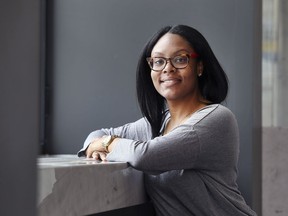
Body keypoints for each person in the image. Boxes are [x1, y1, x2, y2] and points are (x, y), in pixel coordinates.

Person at [78, 24, 257, 216]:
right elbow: (98, 135)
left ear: (199, 66)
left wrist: (107, 144)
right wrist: (94, 146)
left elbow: (145, 156)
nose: (168, 69)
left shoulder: (217, 118)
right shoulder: (158, 124)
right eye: (158, 61)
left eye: (180, 59)